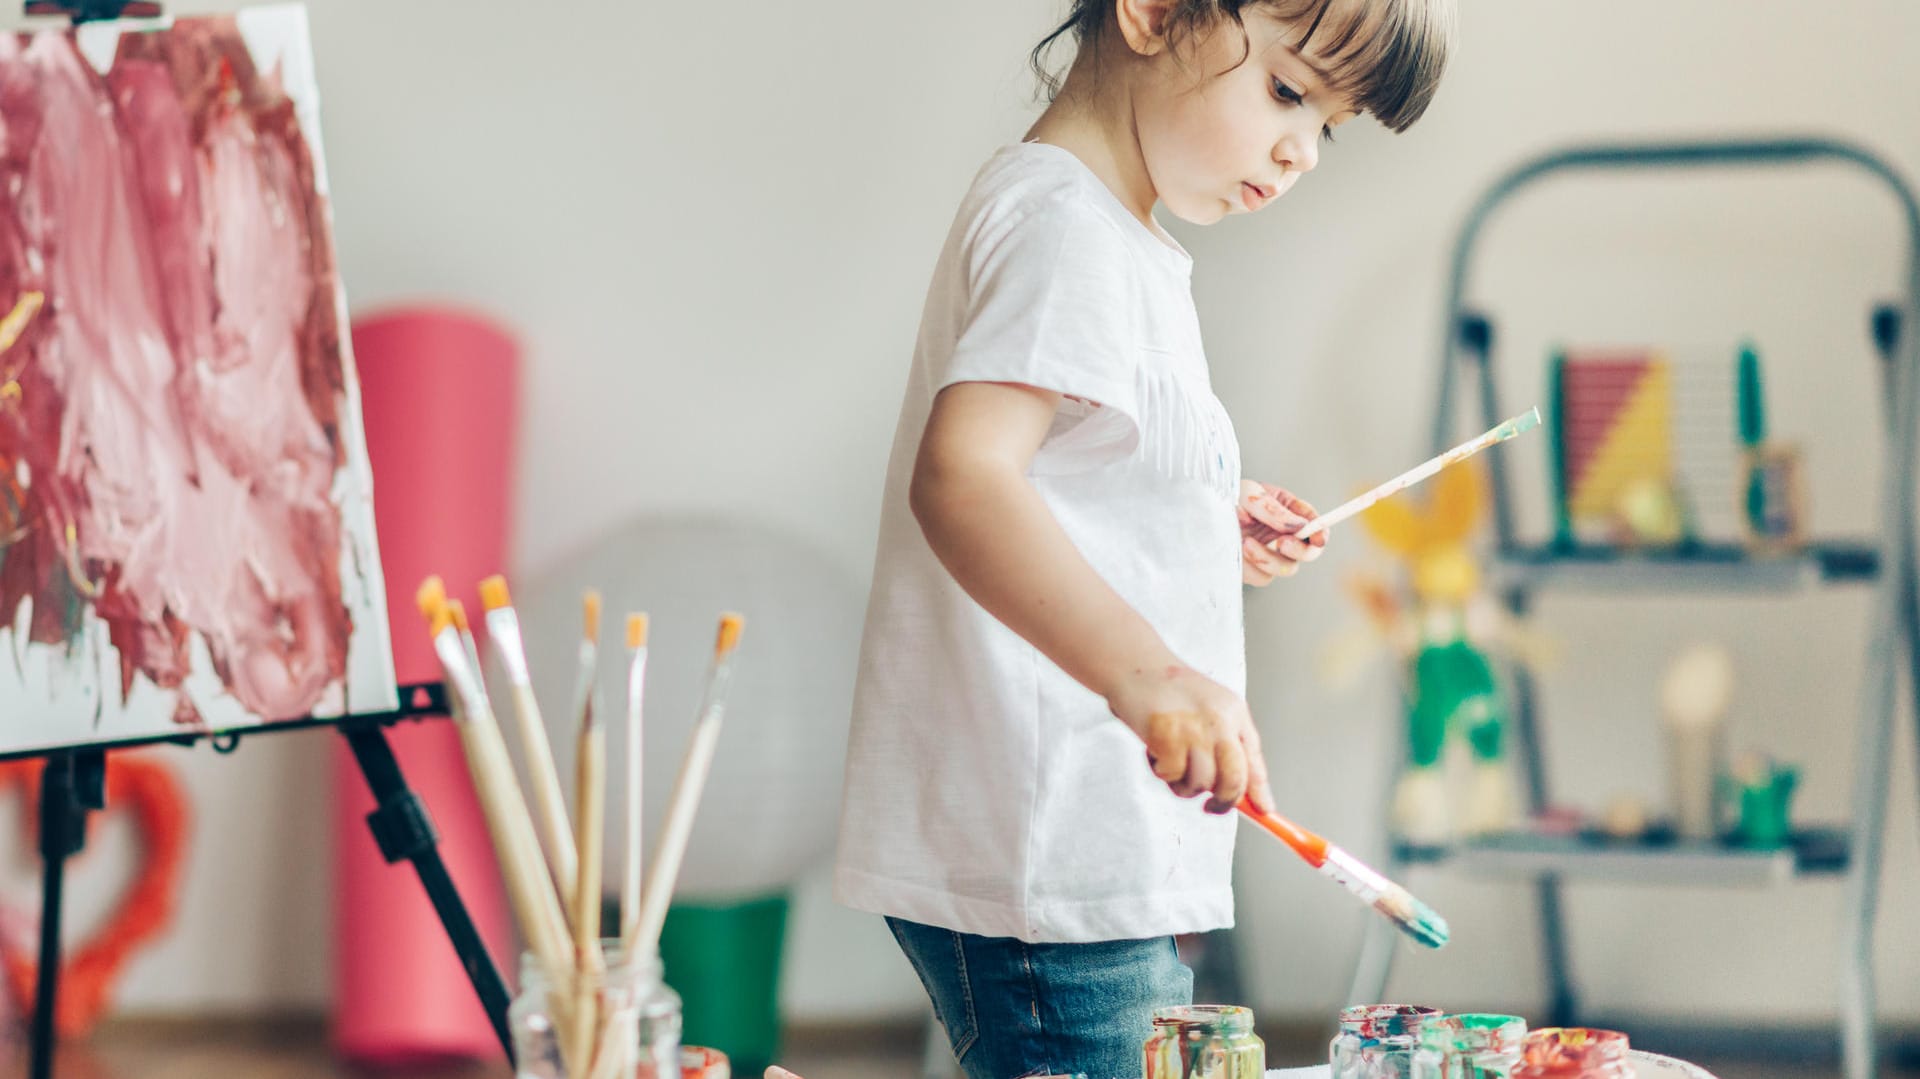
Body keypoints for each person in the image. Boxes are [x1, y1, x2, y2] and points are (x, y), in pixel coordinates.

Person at [833, 2, 1455, 1076]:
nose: (1302, 151)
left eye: (1329, 127)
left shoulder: (1110, 235)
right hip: (1056, 852)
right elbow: (966, 479)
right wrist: (1154, 675)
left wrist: (1205, 521)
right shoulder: (1065, 227)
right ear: (1157, 13)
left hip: (1083, 836)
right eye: (1289, 91)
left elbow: (1068, 480)